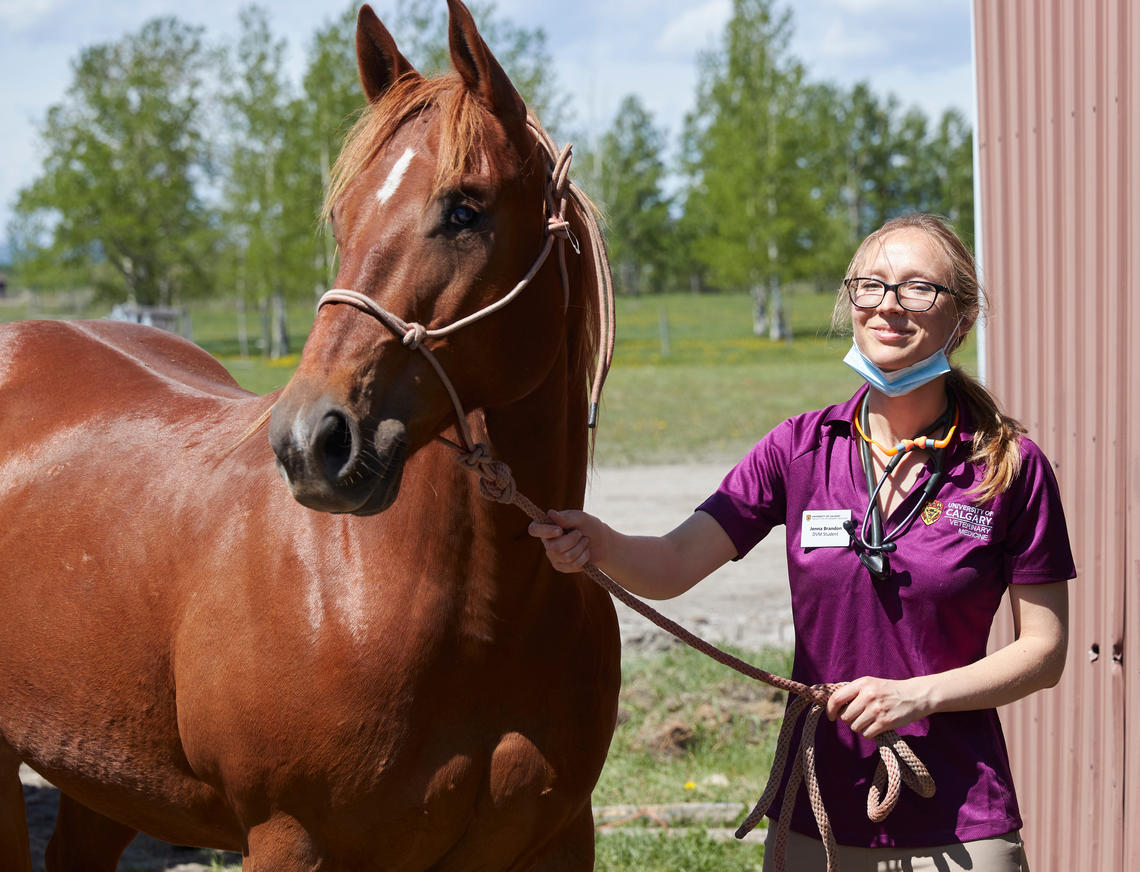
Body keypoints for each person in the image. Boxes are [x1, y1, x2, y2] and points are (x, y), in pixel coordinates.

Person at [529, 213, 1073, 872]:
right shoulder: (798, 449)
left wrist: (917, 696)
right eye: (870, 286)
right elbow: (673, 565)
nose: (889, 305)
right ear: (850, 304)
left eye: (918, 289)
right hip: (816, 815)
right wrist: (602, 542)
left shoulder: (1009, 467)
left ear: (960, 320)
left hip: (959, 823)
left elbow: (1042, 652)